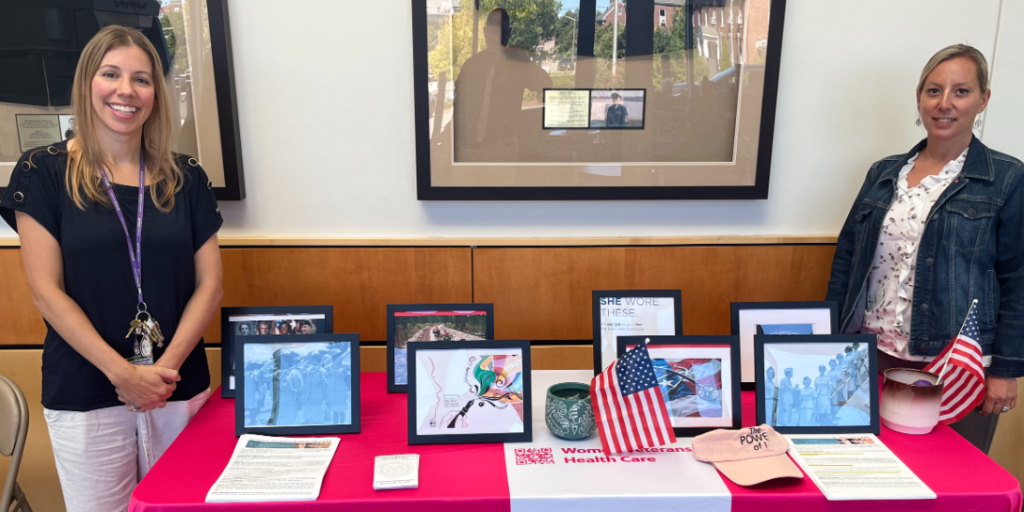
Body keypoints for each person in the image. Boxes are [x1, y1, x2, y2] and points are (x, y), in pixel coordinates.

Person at [0, 26, 222, 511]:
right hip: (85, 389)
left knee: (183, 505)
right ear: (87, 84)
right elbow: (46, 292)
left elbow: (209, 286)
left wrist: (160, 371)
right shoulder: (42, 172)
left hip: (177, 388)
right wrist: (122, 373)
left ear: (156, 95)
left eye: (141, 79)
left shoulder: (188, 178)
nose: (126, 90)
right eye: (111, 74)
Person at [826, 44, 1022, 453]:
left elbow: (1018, 280)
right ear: (919, 98)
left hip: (955, 368)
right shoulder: (883, 173)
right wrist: (828, 341)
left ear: (983, 99)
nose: (944, 103)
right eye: (933, 90)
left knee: (950, 484)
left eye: (961, 91)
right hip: (871, 357)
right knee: (867, 475)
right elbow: (846, 261)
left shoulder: (1007, 179)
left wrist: (1006, 370)